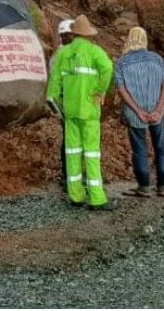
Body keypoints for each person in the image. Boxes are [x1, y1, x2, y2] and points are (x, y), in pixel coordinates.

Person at [46, 14, 115, 210]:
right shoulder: (94, 51)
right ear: (88, 34)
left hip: (70, 112)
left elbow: (53, 87)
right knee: (91, 154)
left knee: (72, 153)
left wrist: (60, 103)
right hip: (89, 112)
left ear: (73, 33)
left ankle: (75, 196)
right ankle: (96, 198)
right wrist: (99, 92)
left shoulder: (63, 54)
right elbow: (108, 68)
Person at [114, 27, 164, 198]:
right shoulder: (156, 59)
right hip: (157, 112)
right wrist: (159, 108)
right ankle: (163, 186)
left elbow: (121, 89)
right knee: (160, 148)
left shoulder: (121, 63)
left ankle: (144, 187)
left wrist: (138, 110)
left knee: (139, 149)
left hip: (134, 114)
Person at [49, 18, 75, 188]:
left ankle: (70, 176)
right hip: (67, 104)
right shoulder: (61, 56)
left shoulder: (69, 53)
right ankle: (68, 176)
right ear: (65, 35)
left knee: (72, 141)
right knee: (70, 142)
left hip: (73, 103)